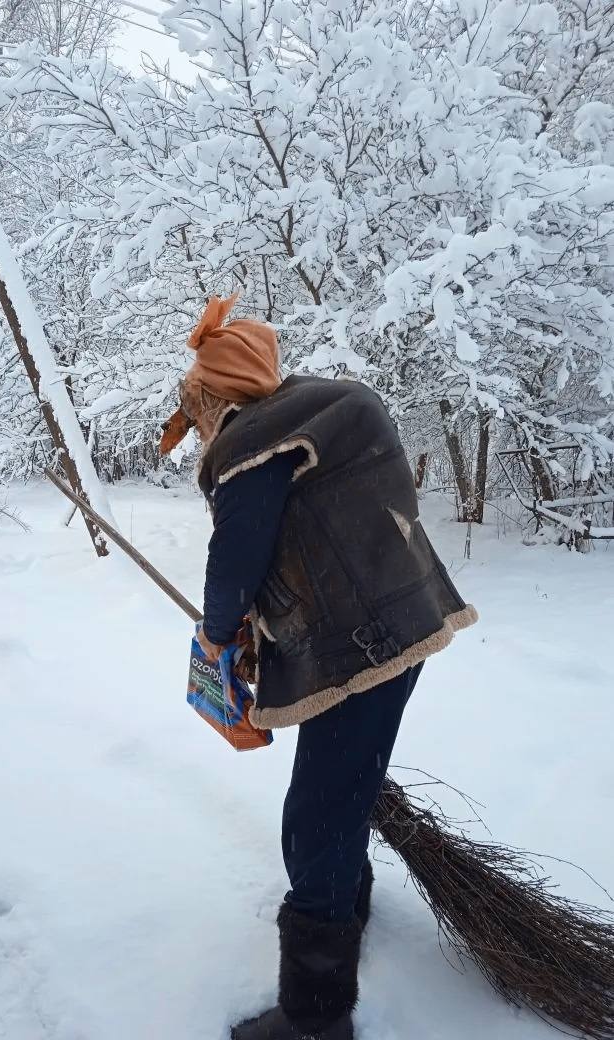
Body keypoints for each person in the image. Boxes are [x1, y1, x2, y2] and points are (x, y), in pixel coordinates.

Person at [160, 295, 477, 1040]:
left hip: (358, 647)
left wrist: (214, 637)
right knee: (342, 785)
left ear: (215, 394)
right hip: (405, 623)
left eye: (196, 402)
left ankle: (314, 1017)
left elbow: (234, 563)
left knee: (315, 817)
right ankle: (348, 897)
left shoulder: (252, 446)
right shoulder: (317, 409)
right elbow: (310, 538)